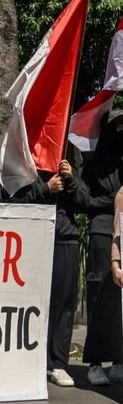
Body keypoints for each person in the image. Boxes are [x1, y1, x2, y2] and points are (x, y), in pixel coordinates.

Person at [10, 160, 88, 387]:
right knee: (33, 304)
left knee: (65, 304)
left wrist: (71, 180)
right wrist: (45, 188)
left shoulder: (69, 172)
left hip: (66, 241)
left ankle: (58, 364)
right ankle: (30, 358)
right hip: (35, 239)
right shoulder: (26, 168)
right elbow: (15, 202)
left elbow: (85, 202)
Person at [82, 112, 123, 385]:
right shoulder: (95, 166)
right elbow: (86, 200)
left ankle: (118, 358)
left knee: (119, 300)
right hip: (101, 229)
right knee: (98, 295)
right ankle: (95, 361)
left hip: (122, 231)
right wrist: (110, 199)